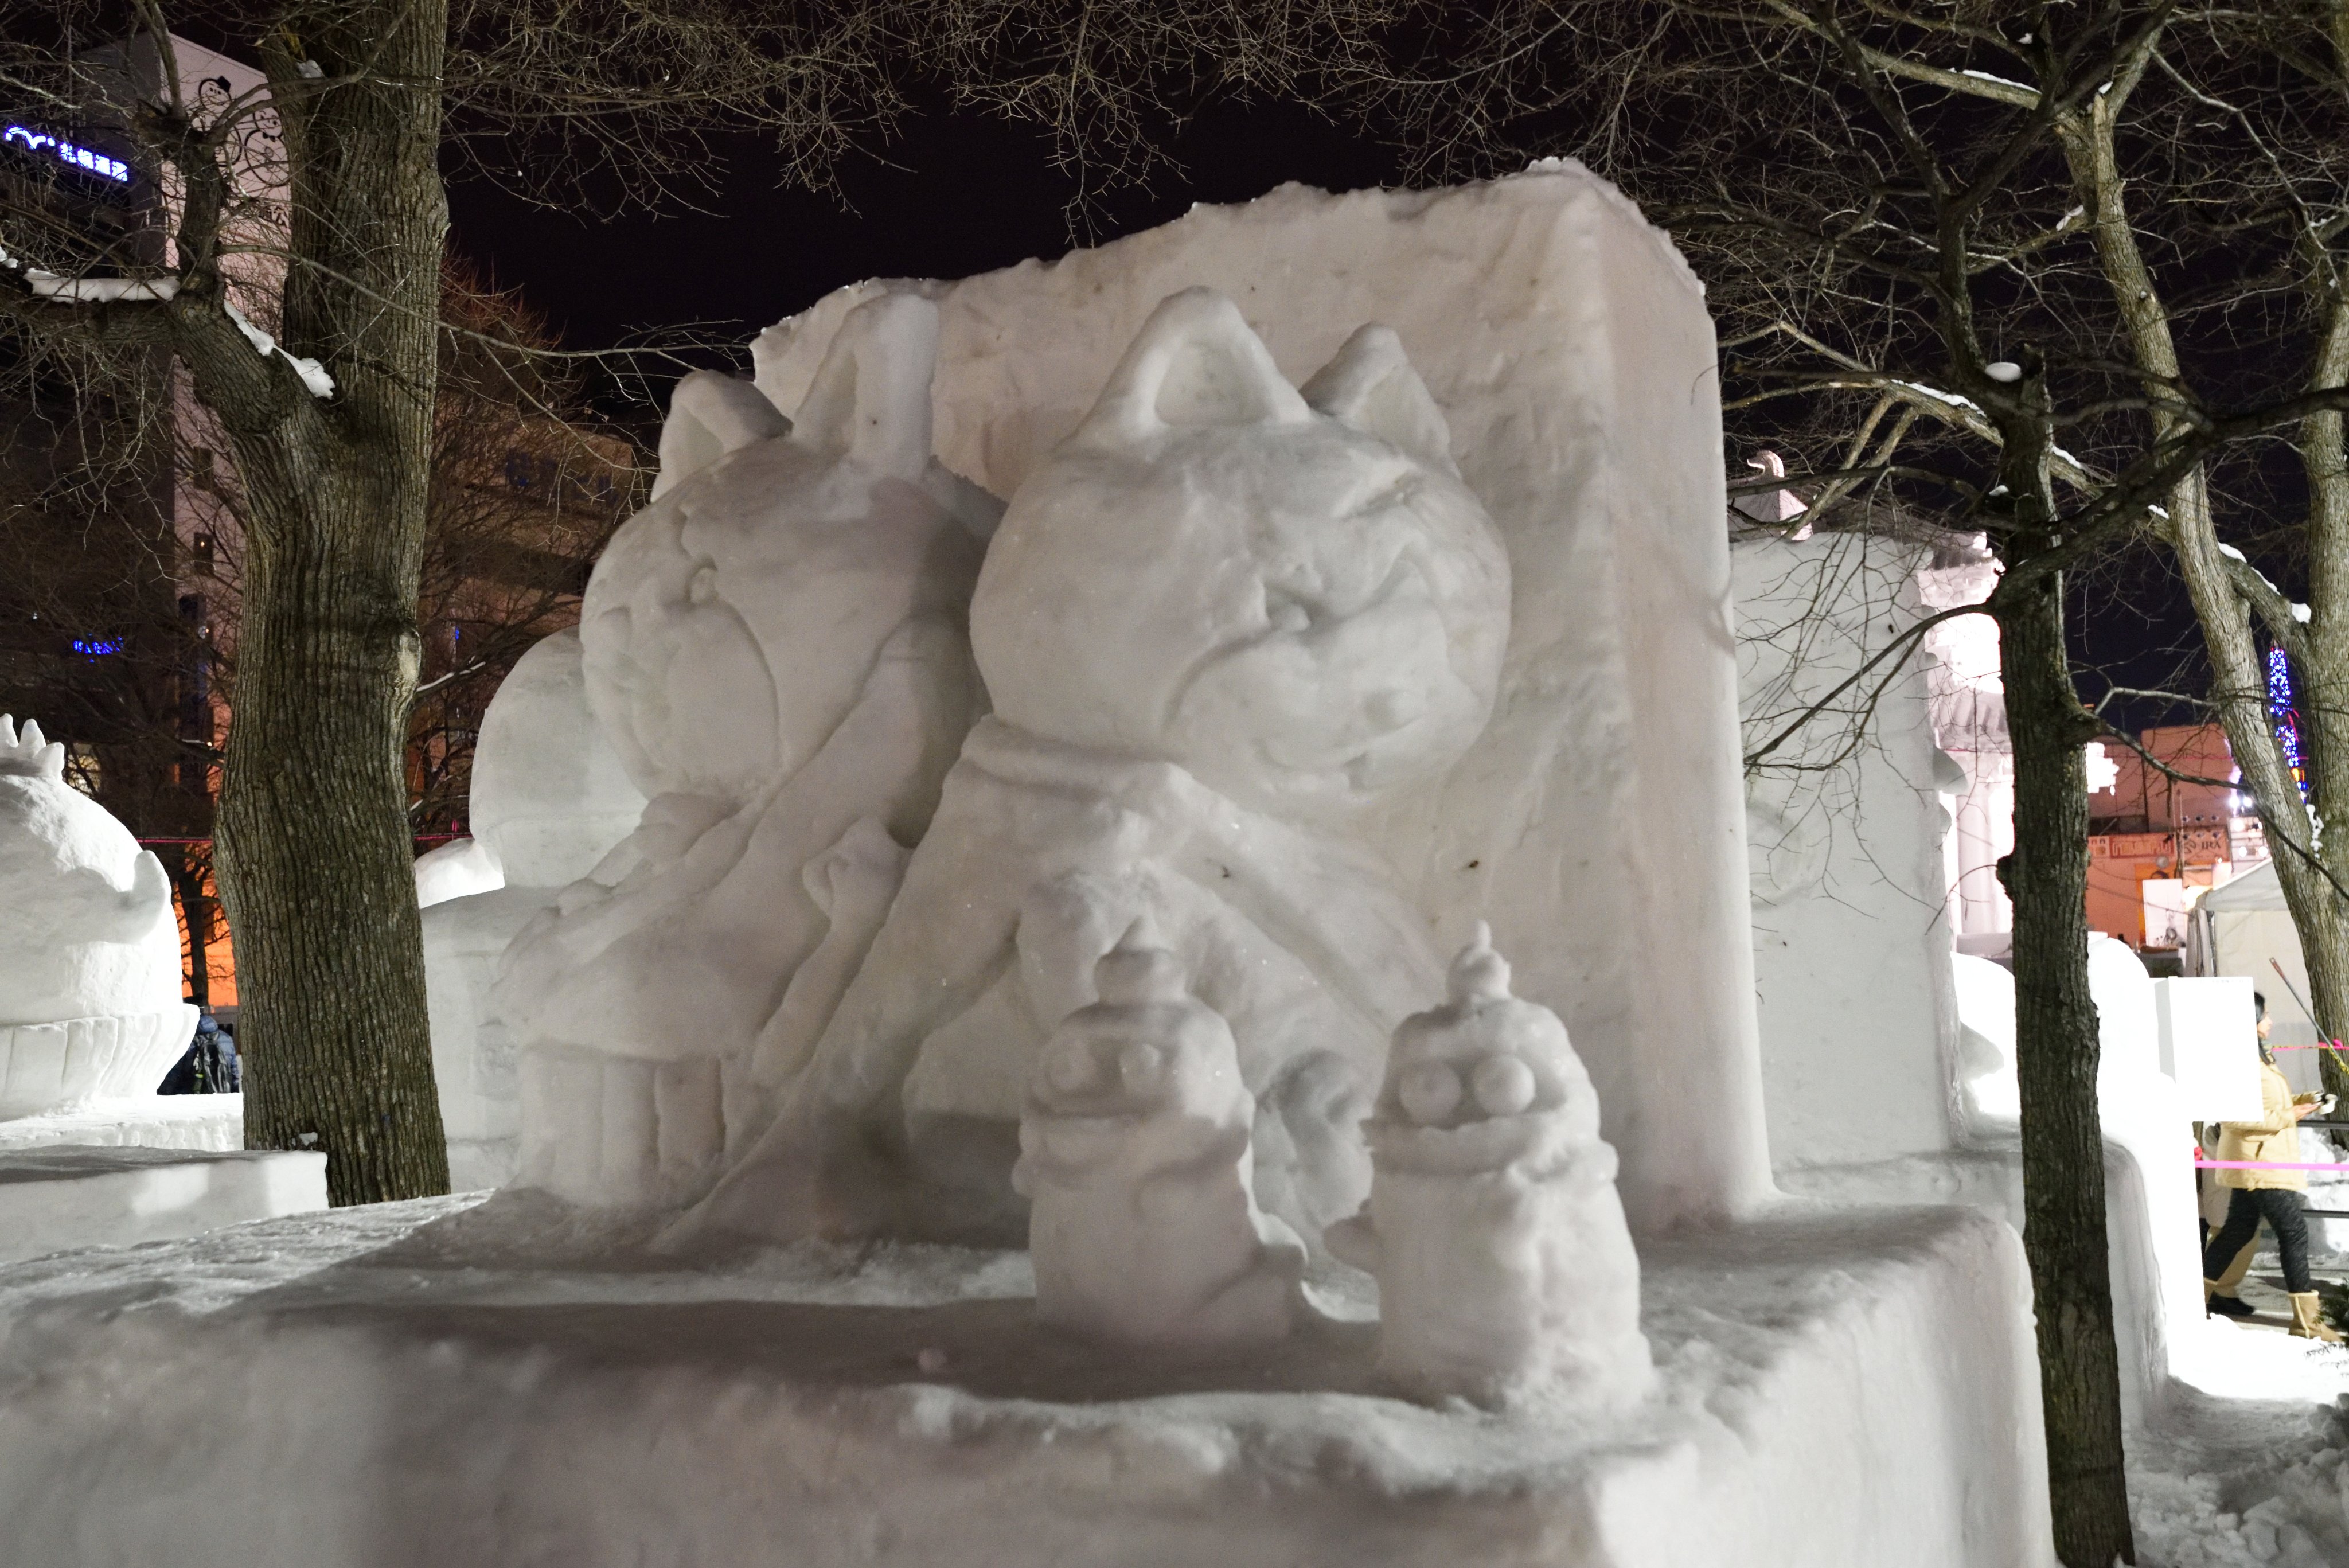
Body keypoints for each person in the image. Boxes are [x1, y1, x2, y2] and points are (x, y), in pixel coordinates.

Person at [2201, 991, 2343, 1340]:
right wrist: (2289, 1114)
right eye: (2265, 1016)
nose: (2271, 1021)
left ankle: (2190, 1302)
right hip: (2259, 1163)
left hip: (2260, 1161)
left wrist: (2307, 1101)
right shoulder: (2239, 1061)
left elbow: (2268, 1103)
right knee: (2294, 1232)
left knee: (2237, 1233)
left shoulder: (2259, 1057)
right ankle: (2307, 1323)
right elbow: (2234, 1115)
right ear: (2250, 1020)